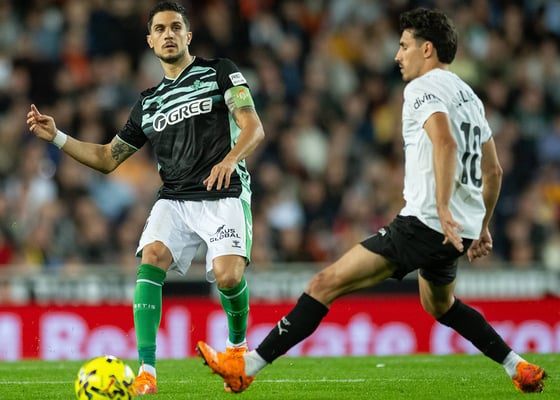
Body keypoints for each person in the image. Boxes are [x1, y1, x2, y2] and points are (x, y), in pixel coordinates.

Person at [196, 7, 547, 394]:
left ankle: (246, 367)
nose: (397, 55)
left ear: (427, 49)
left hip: (426, 223)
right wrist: (481, 226)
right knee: (440, 305)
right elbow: (493, 171)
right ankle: (518, 366)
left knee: (324, 283)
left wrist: (443, 207)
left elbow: (445, 143)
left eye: (404, 46)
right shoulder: (469, 96)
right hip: (457, 231)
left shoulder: (422, 88)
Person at [26, 1, 265, 395]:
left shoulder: (220, 72)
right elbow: (108, 158)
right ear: (150, 41)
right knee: (151, 256)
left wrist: (229, 160)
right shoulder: (148, 103)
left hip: (223, 191)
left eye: (175, 27)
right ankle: (147, 372)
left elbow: (253, 127)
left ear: (188, 36)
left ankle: (237, 351)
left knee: (228, 276)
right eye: (160, 29)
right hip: (174, 198)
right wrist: (57, 137)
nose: (168, 34)